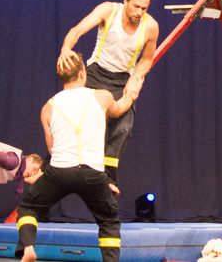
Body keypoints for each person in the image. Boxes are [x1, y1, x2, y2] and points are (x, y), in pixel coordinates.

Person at [15, 52, 139, 262]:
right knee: (108, 221)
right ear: (83, 73)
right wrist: (131, 94)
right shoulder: (102, 96)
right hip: (93, 174)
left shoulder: (48, 108)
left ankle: (28, 247)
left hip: (60, 172)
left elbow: (52, 150)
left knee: (28, 208)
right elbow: (119, 111)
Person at [56, 0, 159, 188]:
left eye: (144, 8)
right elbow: (77, 30)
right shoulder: (108, 11)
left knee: (123, 128)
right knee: (79, 121)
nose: (139, 12)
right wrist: (66, 48)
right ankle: (61, 167)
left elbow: (147, 59)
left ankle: (108, 179)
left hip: (123, 79)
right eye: (136, 6)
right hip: (96, 73)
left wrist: (136, 78)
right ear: (125, 1)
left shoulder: (150, 26)